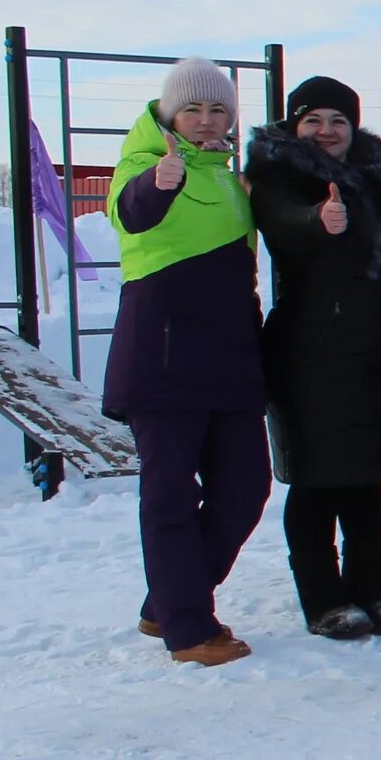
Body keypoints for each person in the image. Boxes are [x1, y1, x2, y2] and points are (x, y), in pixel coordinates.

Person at [106, 58, 270, 665]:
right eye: (193, 109)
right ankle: (189, 629)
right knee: (170, 494)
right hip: (163, 356)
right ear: (170, 113)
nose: (206, 121)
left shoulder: (231, 178)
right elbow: (131, 211)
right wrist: (160, 181)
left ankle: (167, 600)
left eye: (218, 109)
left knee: (245, 489)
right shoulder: (144, 162)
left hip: (230, 358)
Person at [249, 76, 381, 638]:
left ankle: (371, 591)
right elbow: (279, 219)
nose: (326, 131)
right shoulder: (279, 173)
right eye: (314, 120)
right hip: (311, 348)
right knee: (318, 480)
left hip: (375, 348)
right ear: (296, 127)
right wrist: (316, 222)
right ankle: (324, 599)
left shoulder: (380, 178)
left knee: (366, 479)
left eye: (338, 121)